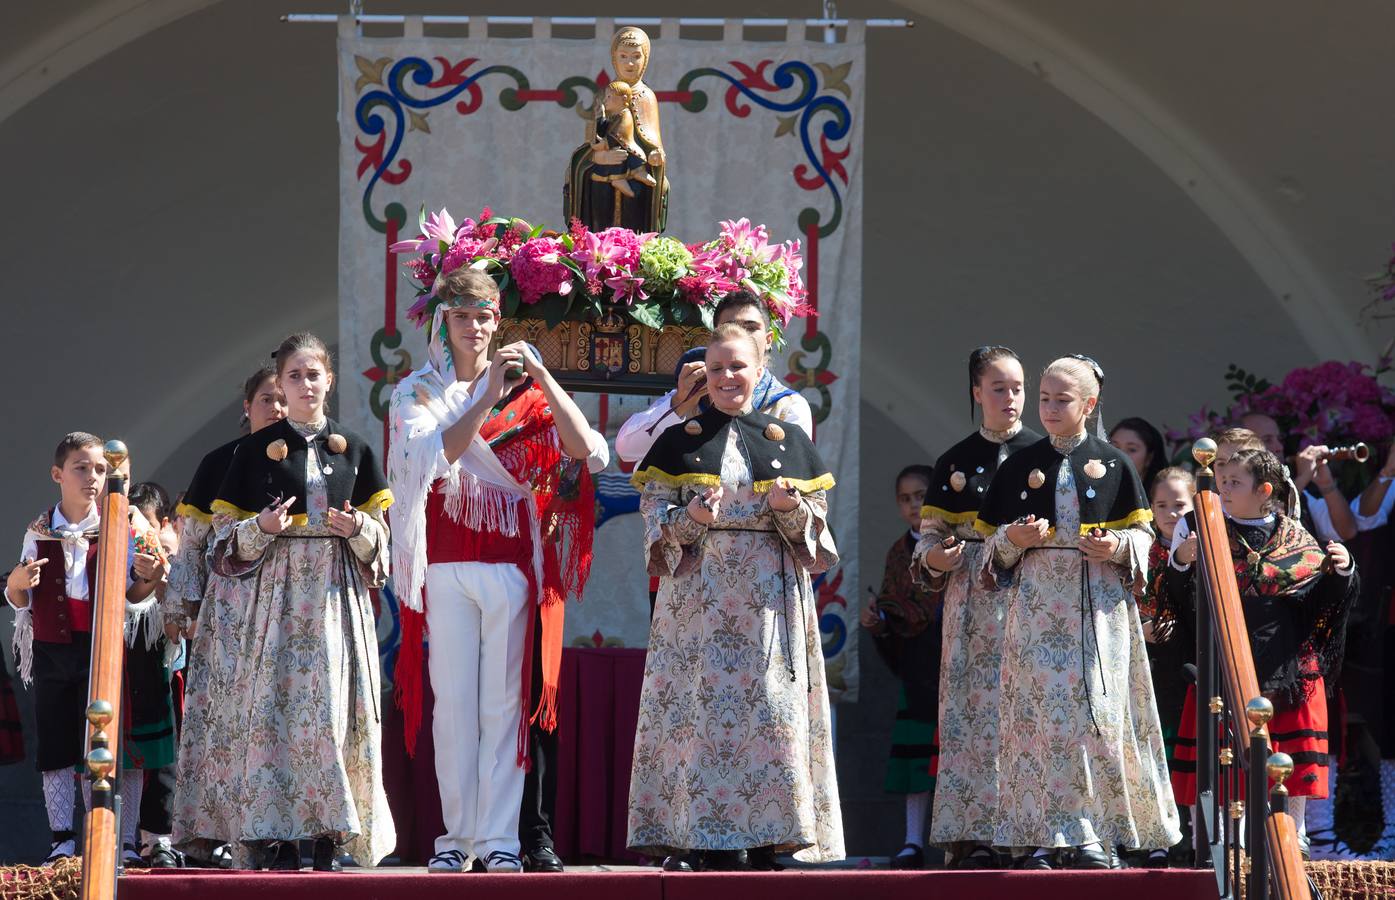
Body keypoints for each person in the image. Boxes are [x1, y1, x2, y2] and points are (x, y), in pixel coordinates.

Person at [387, 267, 605, 874]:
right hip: (446, 564)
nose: (475, 327)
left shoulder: (526, 394)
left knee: (503, 708)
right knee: (453, 704)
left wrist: (538, 377)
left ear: (497, 321)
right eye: (463, 316)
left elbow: (587, 451)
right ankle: (455, 838)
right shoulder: (415, 393)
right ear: (443, 321)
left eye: (484, 316)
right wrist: (484, 395)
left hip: (509, 566)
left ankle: (500, 839)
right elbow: (432, 459)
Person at [627, 323, 843, 871]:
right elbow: (652, 523)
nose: (727, 377)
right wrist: (689, 518)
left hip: (768, 599)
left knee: (772, 709)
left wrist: (789, 507)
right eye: (716, 368)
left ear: (759, 368)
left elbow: (817, 534)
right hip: (697, 601)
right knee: (698, 710)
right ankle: (697, 834)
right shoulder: (678, 440)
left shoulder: (787, 440)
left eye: (737, 366)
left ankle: (775, 833)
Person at [974, 355, 1180, 869]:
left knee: (1097, 720)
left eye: (1061, 399)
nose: (1047, 408)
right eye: (1043, 398)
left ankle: (1095, 834)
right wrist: (1011, 539)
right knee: (1042, 720)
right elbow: (988, 550)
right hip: (1037, 611)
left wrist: (1117, 547)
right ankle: (1046, 835)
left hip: (1098, 609)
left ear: (1088, 404)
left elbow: (1143, 536)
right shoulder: (1019, 463)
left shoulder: (1114, 462)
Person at [209, 333, 395, 871]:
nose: (305, 384)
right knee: (277, 713)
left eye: (313, 375)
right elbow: (221, 544)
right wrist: (260, 527)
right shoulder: (249, 454)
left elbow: (382, 549)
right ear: (280, 386)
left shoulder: (356, 448)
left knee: (333, 713)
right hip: (278, 598)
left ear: (329, 381)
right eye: (294, 376)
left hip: (335, 599)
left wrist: (358, 526)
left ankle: (330, 833)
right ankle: (279, 834)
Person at [1168, 448, 1358, 856]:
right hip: (1224, 657)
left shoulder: (1294, 535)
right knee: (1224, 750)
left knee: (1288, 752)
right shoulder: (1205, 528)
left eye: (1234, 482)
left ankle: (1294, 835)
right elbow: (1181, 601)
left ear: (1265, 490)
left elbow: (1320, 602)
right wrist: (1182, 563)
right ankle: (1223, 838)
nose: (1223, 489)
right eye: (1221, 481)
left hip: (1283, 661)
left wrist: (1342, 571)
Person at [5, 432, 167, 865]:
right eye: (81, 467)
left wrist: (149, 576)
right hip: (54, 649)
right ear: (58, 474)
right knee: (58, 744)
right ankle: (63, 839)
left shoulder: (122, 524)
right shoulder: (38, 530)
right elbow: (23, 598)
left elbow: (138, 595)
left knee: (115, 743)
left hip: (106, 648)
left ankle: (125, 840)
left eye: (100, 469)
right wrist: (16, 586)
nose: (93, 477)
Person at [913, 345, 1040, 870]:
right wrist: (938, 557)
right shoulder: (954, 462)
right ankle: (973, 832)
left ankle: (1031, 832)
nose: (1009, 398)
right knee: (975, 718)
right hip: (971, 609)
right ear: (976, 394)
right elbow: (926, 544)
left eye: (1016, 388)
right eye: (998, 388)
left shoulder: (1047, 453)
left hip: (1034, 604)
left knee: (1028, 717)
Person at [167, 365, 285, 868]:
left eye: (283, 399)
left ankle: (281, 830)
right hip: (231, 612)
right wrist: (182, 605)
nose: (277, 408)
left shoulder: (316, 456)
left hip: (288, 618)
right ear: (247, 406)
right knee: (227, 724)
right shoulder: (220, 461)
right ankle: (215, 831)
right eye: (267, 399)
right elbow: (192, 545)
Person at [616, 289, 812, 465]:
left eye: (750, 327)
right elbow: (627, 450)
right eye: (730, 327)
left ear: (769, 340)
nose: (740, 335)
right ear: (714, 337)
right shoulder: (692, 394)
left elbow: (797, 478)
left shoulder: (789, 407)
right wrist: (679, 404)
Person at [860, 464, 939, 869]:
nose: (914, 505)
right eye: (906, 498)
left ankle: (968, 839)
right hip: (916, 663)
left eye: (921, 495)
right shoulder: (897, 552)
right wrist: (880, 622)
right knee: (915, 760)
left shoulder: (953, 543)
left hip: (953, 664)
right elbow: (894, 605)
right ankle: (912, 841)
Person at [1134, 467, 1196, 867]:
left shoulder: (1203, 548)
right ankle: (1154, 836)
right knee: (1150, 752)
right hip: (1146, 663)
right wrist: (1143, 628)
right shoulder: (1139, 546)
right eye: (1161, 505)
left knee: (1185, 754)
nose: (1171, 513)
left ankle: (1192, 835)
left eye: (1180, 505)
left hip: (1187, 662)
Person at [126, 481, 182, 868]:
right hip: (132, 668)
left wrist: (164, 577)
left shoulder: (179, 557)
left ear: (164, 524)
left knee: (167, 758)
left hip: (174, 672)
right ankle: (132, 839)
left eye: (146, 526)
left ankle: (161, 837)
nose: (141, 539)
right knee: (134, 757)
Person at [1110, 417, 1168, 499]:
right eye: (1115, 447)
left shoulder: (1162, 500)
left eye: (1132, 449)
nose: (1120, 455)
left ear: (1149, 458)